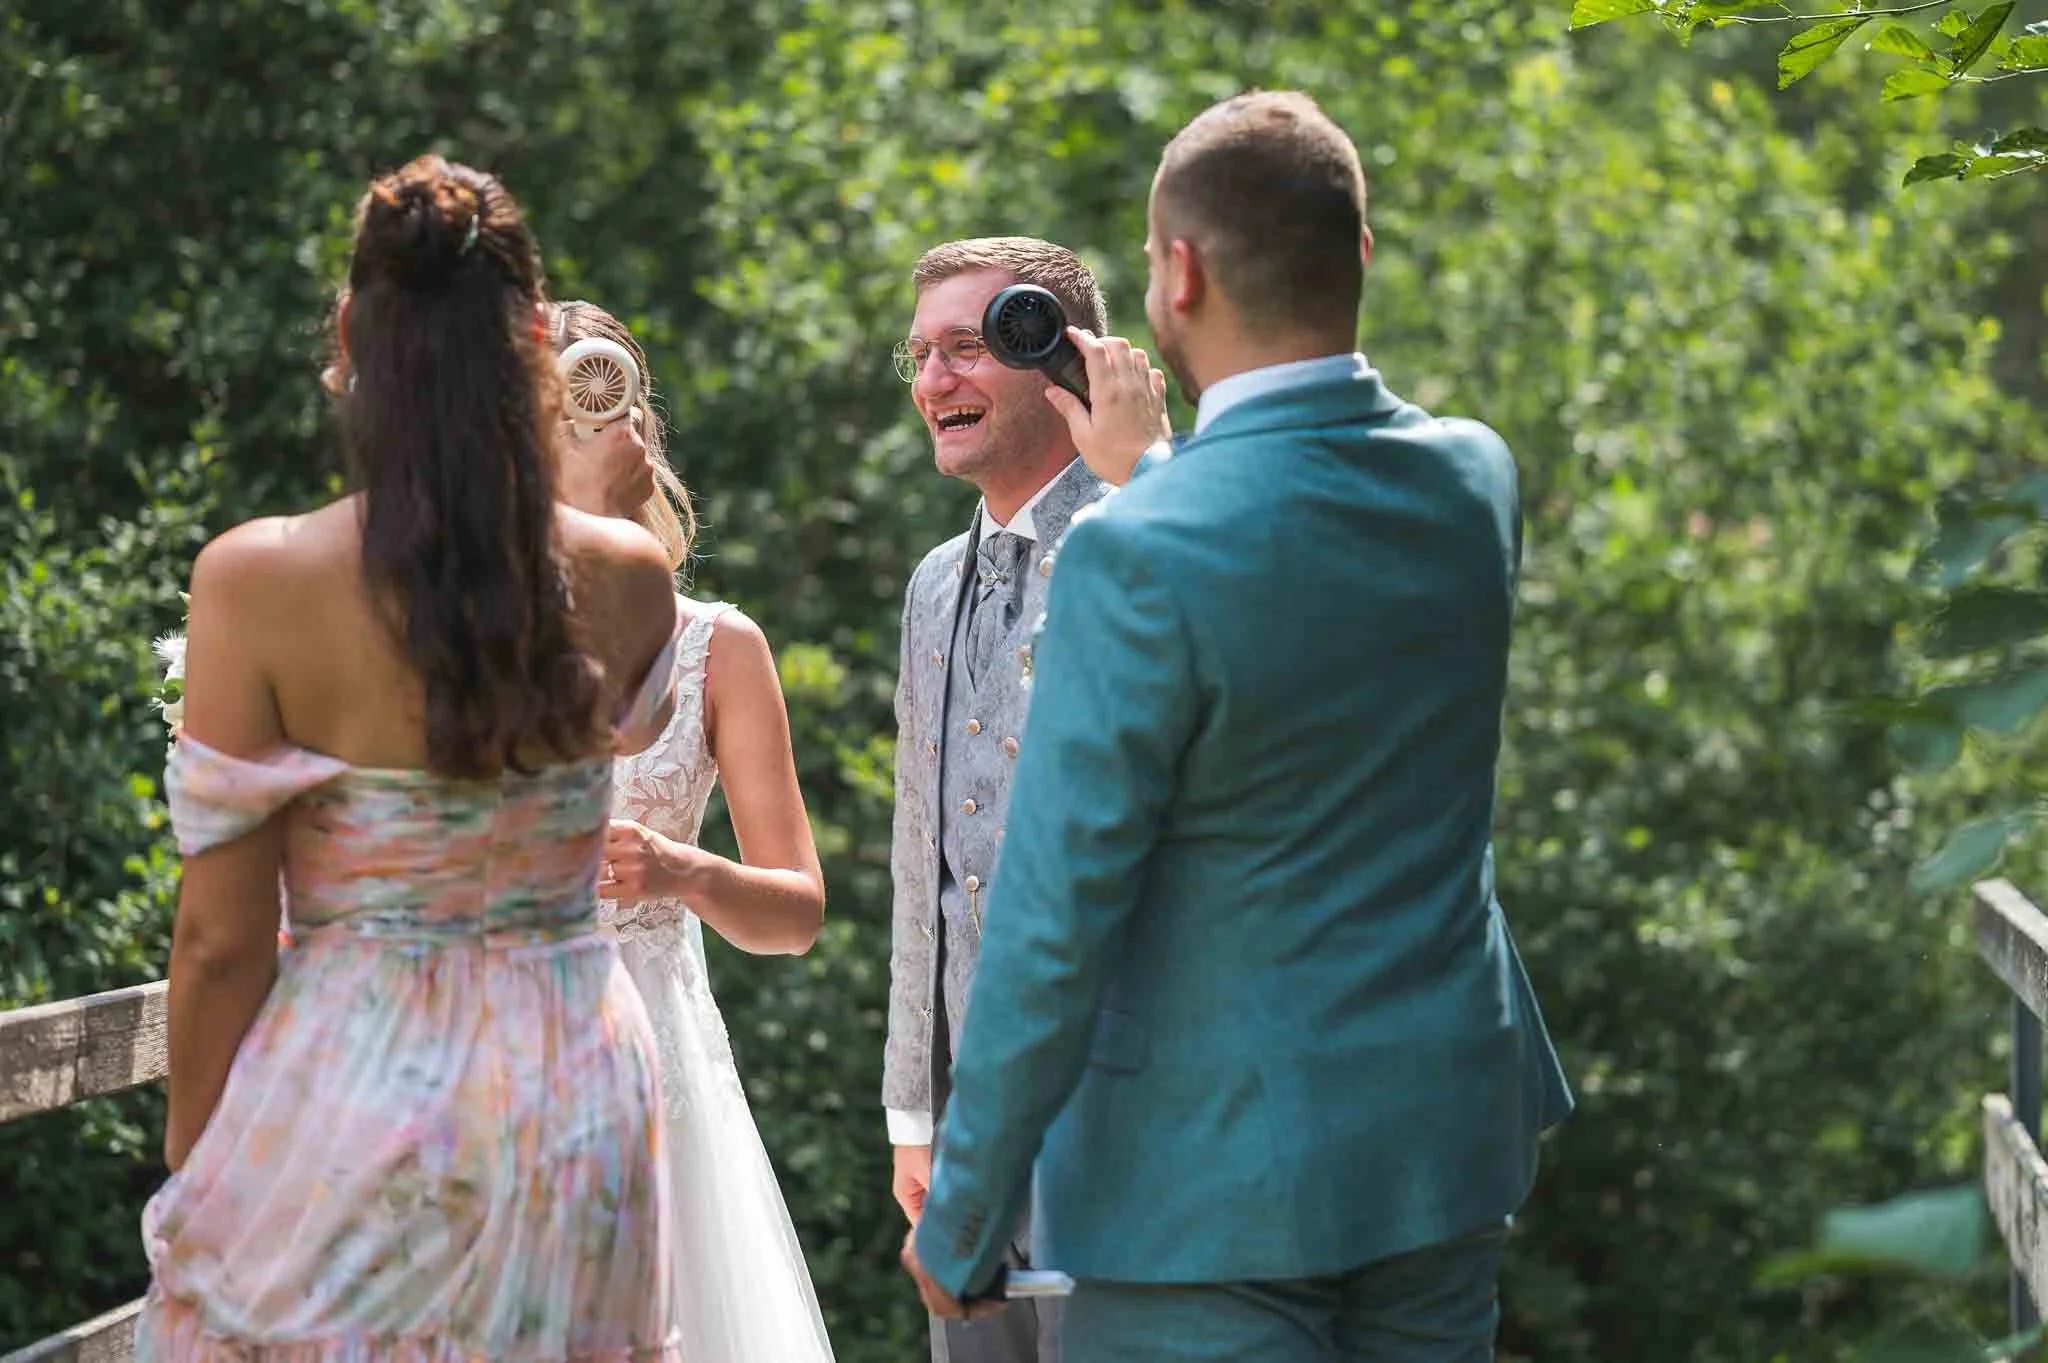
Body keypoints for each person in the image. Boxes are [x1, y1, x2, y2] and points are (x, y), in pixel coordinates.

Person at [901, 91, 1575, 1363]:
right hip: (1437, 1155)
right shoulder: (1473, 479)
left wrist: (965, 1204)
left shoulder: (1132, 554)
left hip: (1199, 1191)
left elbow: (1053, 920)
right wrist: (1148, 476)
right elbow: (1284, 605)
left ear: (1176, 276)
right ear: (1359, 254)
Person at [135, 155, 685, 1360]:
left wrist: (200, 1171)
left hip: (351, 1092)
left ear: (348, 333)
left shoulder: (257, 580)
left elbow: (219, 944)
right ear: (539, 340)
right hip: (572, 1095)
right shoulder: (630, 575)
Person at [547, 298, 836, 1362]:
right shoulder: (450, 629)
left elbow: (797, 912)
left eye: (606, 395)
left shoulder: (721, 646)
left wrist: (684, 870)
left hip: (659, 1071)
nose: (586, 426)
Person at [882, 237, 1117, 1363]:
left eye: (968, 349)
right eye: (920, 355)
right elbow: (918, 859)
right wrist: (910, 1114)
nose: (935, 383)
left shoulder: (1140, 539)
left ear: (1054, 358)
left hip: (1118, 1115)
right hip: (969, 1135)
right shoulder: (934, 582)